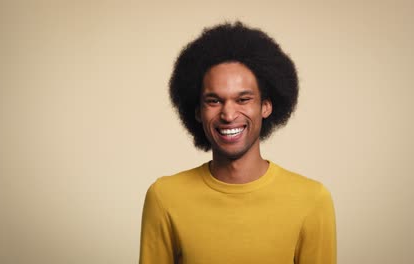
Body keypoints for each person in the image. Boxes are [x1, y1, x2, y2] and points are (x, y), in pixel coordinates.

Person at [139, 21, 336, 264]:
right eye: (214, 101)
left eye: (243, 99)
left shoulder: (312, 200)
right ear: (198, 111)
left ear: (265, 106)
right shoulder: (165, 197)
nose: (228, 114)